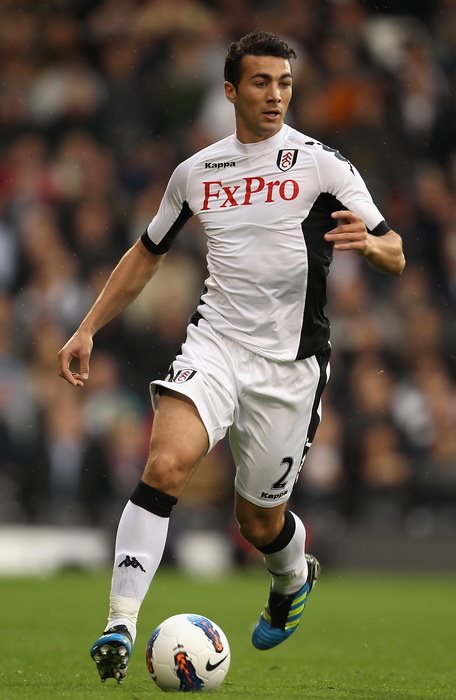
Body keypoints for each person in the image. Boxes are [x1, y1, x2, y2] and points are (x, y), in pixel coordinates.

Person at [58, 30, 405, 684]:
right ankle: (120, 625)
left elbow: (396, 251)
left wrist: (371, 245)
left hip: (290, 367)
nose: (275, 95)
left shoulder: (321, 164)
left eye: (284, 83)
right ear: (230, 90)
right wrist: (87, 328)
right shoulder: (196, 173)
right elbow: (145, 255)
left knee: (258, 521)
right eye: (261, 82)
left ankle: (292, 577)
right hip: (215, 343)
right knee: (165, 464)